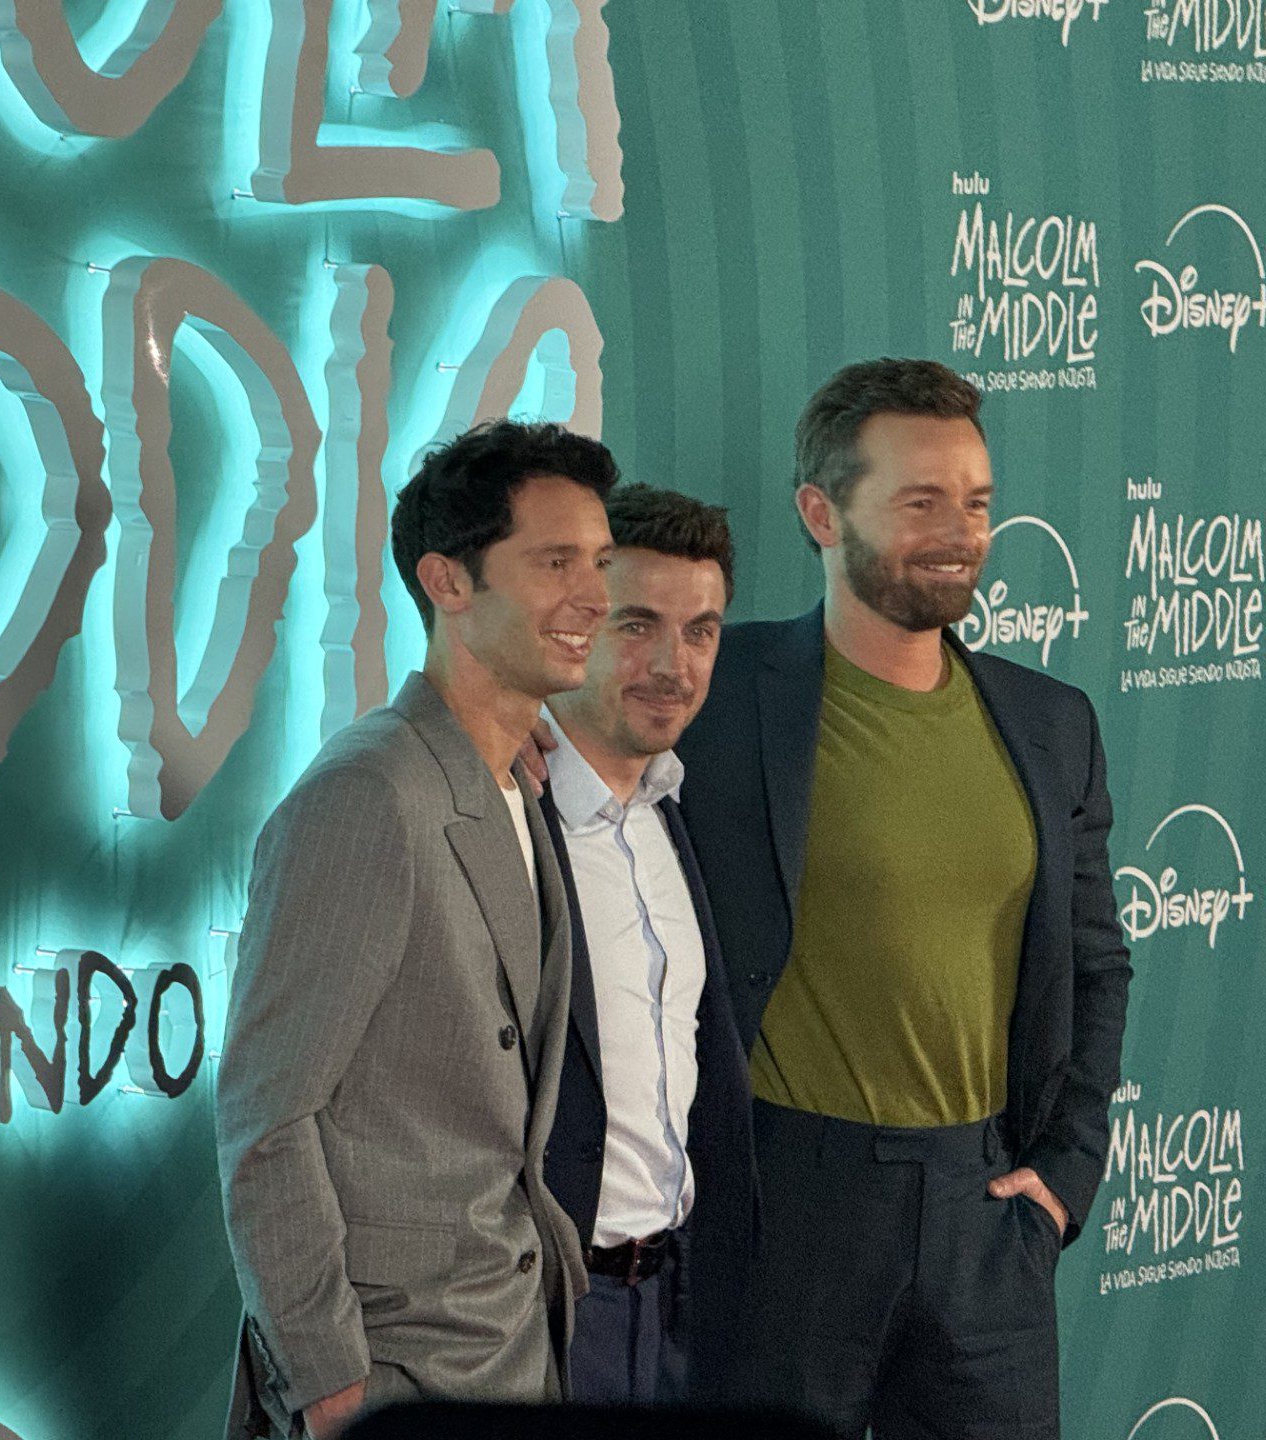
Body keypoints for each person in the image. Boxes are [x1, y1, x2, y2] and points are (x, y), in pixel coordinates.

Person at [676, 358, 1131, 1438]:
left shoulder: (1050, 722)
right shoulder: (717, 694)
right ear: (820, 513)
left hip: (988, 1215)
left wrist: (1064, 1177)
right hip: (786, 1210)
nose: (959, 533)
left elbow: (1097, 964)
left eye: (975, 502)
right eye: (921, 502)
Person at [216, 420, 616, 1438]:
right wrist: (331, 1387)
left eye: (599, 562)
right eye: (555, 563)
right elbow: (268, 1123)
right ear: (447, 581)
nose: (593, 598)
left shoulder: (515, 780)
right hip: (398, 1375)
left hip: (513, 1349)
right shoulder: (366, 797)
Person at [535, 487, 754, 1406]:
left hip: (670, 1312)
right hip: (541, 1316)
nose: (674, 665)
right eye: (638, 625)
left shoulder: (676, 812)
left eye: (700, 631)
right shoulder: (504, 810)